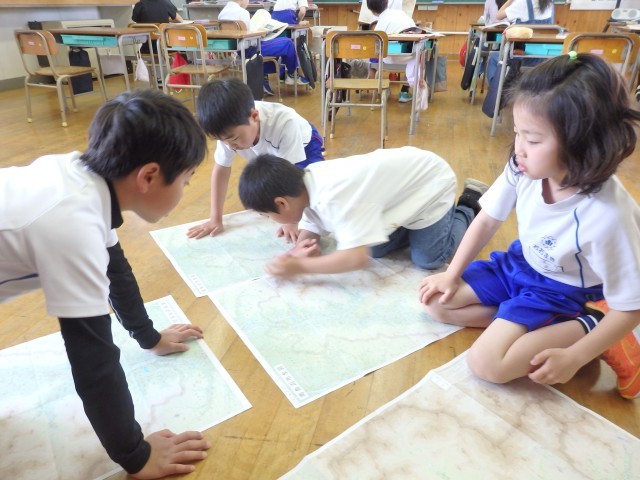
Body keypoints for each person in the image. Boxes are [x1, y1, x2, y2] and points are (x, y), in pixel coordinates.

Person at [0, 90, 210, 478]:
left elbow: (118, 273)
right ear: (148, 176)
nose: (185, 190)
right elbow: (92, 358)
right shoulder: (73, 227)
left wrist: (148, 338)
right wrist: (136, 455)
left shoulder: (83, 181)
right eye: (186, 179)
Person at [419, 53, 640, 399]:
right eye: (517, 133)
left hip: (564, 291)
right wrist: (451, 273)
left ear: (583, 143)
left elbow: (632, 305)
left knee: (487, 364)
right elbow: (487, 219)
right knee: (436, 303)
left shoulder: (607, 214)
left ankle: (594, 324)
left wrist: (575, 356)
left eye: (533, 140)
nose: (519, 148)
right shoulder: (523, 167)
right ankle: (535, 325)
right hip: (521, 265)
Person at [237, 147, 488, 277]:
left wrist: (300, 267)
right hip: (400, 192)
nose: (272, 220)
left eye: (268, 215)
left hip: (431, 185)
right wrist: (298, 250)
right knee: (374, 248)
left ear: (282, 203)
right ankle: (412, 229)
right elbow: (312, 223)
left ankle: (468, 203)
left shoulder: (335, 197)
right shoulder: (305, 185)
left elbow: (356, 259)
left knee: (429, 259)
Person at [187, 77, 324, 242]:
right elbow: (221, 171)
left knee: (314, 192)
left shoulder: (285, 123)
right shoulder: (229, 133)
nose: (230, 146)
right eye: (223, 141)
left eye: (234, 139)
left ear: (254, 116)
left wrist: (291, 221)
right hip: (272, 153)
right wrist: (215, 218)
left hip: (305, 145)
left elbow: (289, 177)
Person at [217, 0, 308, 96]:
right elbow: (251, 35)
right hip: (252, 49)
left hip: (238, 50)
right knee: (287, 43)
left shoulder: (222, 14)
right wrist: (262, 32)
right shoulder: (243, 13)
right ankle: (291, 74)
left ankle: (263, 79)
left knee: (276, 45)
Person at [367, 0, 417, 103]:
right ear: (386, 3)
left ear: (372, 11)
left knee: (374, 55)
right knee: (417, 58)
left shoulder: (379, 24)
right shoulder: (403, 15)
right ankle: (405, 91)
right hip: (408, 59)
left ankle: (381, 89)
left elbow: (376, 48)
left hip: (387, 60)